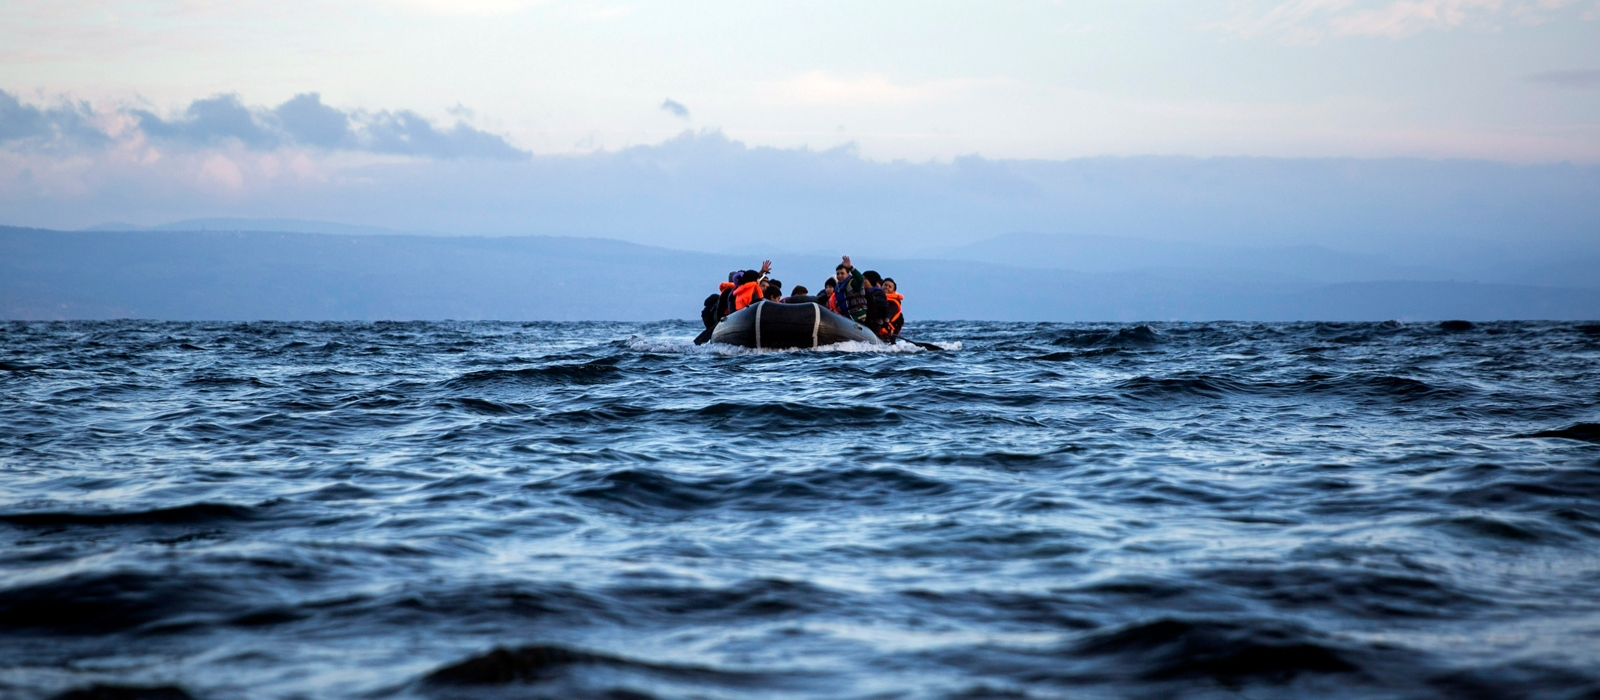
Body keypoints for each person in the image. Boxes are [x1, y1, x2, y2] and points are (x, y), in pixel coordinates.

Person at [832, 255, 868, 323]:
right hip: (846, 316)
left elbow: (860, 279)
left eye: (842, 273)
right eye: (838, 274)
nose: (839, 276)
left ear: (848, 274)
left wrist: (851, 268)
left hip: (857, 315)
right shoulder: (837, 288)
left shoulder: (852, 283)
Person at [862, 270, 892, 338]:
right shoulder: (861, 292)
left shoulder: (878, 294)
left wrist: (886, 321)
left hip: (873, 323)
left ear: (871, 281)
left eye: (865, 279)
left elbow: (885, 308)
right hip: (862, 322)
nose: (862, 280)